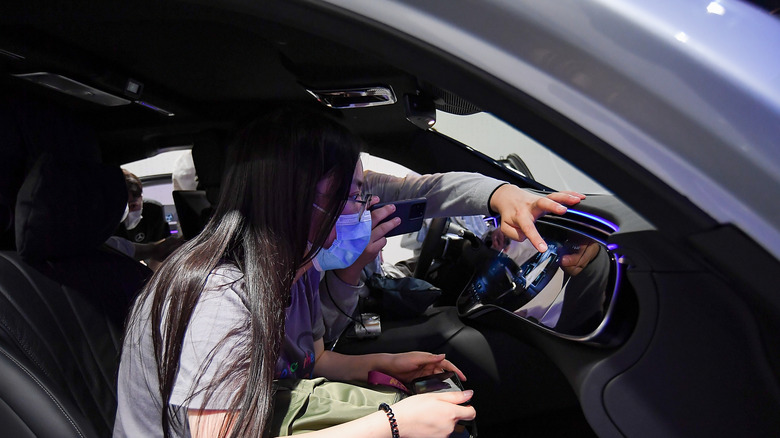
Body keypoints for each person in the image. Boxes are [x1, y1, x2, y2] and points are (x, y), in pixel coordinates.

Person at [114, 109, 476, 438]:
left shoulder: (298, 272)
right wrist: (394, 424)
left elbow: (315, 360)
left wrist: (389, 363)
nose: (363, 209)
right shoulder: (219, 295)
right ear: (296, 198)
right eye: (351, 197)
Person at [111, 169, 182, 269]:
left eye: (133, 206)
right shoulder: (109, 222)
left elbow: (159, 250)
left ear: (141, 198)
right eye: (123, 208)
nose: (128, 213)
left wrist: (151, 273)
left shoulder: (153, 211)